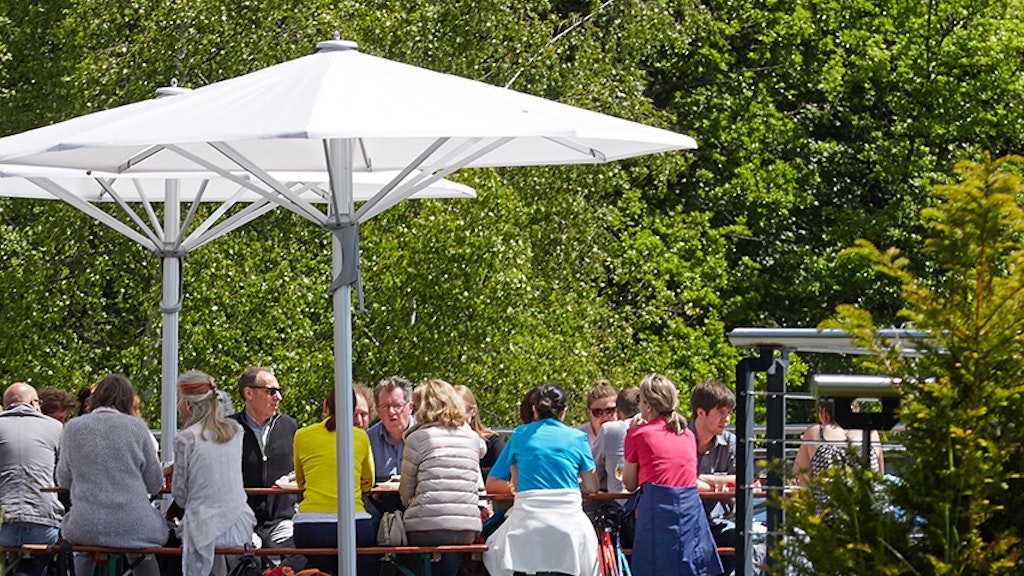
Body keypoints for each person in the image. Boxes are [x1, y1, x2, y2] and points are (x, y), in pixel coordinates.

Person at [483, 384, 600, 576]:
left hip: (526, 524)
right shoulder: (577, 437)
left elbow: (517, 484)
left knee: (492, 550)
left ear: (534, 410)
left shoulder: (519, 435)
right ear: (564, 411)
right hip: (569, 526)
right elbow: (591, 485)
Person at [57, 374, 168, 576]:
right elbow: (154, 484)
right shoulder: (137, 428)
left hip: (86, 525)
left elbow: (63, 479)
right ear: (128, 399)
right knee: (142, 551)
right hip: (134, 525)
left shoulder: (73, 428)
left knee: (82, 550)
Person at [622, 373, 722, 576]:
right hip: (689, 516)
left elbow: (629, 484)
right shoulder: (687, 435)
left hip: (657, 517)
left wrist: (631, 432)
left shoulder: (638, 434)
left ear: (648, 405)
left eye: (640, 400)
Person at [170, 371, 256, 576]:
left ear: (188, 405)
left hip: (202, 528)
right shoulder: (236, 432)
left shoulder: (186, 438)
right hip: (238, 524)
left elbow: (180, 496)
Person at [399, 379, 485, 576]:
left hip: (426, 529)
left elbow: (405, 493)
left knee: (398, 549)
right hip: (468, 528)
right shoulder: (472, 438)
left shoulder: (417, 439)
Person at [292, 388, 377, 576]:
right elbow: (369, 481)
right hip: (355, 524)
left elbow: (300, 481)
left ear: (325, 407)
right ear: (352, 410)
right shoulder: (360, 436)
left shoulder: (302, 435)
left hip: (311, 526)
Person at [690, 378, 766, 576]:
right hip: (685, 524)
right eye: (720, 413)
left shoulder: (731, 442)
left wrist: (703, 479)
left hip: (715, 523)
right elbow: (684, 481)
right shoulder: (680, 439)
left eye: (728, 413)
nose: (727, 419)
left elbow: (744, 481)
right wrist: (719, 482)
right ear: (700, 412)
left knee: (753, 544)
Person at [228, 366, 301, 567]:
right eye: (271, 391)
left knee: (301, 550)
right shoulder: (228, 429)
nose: (278, 397)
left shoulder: (290, 426)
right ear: (248, 393)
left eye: (279, 391)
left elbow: (299, 471)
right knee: (242, 557)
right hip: (241, 521)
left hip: (282, 520)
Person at [0, 383, 63, 576]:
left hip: (2, 526)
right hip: (43, 526)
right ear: (35, 403)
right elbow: (64, 475)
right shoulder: (56, 427)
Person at [793, 398, 878, 484]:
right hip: (867, 491)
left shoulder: (815, 432)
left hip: (828, 492)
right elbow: (879, 476)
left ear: (823, 413)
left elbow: (801, 477)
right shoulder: (871, 433)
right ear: (856, 409)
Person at [594, 386, 641, 495]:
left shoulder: (609, 430)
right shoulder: (660, 428)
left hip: (620, 500)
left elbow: (594, 472)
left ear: (618, 412)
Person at [367, 376, 414, 484]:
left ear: (410, 407)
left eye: (397, 406)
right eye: (385, 406)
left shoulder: (424, 437)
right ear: (378, 411)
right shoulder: (369, 440)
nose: (391, 412)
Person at [453, 384, 504, 477]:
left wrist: (468, 470)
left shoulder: (492, 441)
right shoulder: (443, 441)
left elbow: (502, 470)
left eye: (460, 414)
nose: (454, 419)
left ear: (473, 411)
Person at [577, 379, 617, 454]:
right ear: (588, 413)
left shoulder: (625, 433)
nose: (605, 417)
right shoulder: (579, 439)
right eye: (598, 412)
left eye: (609, 411)